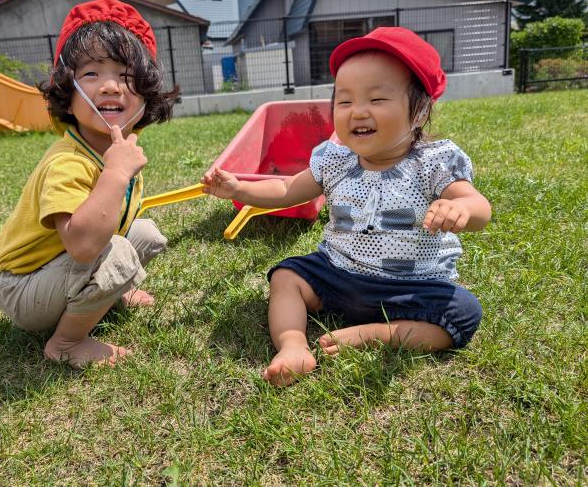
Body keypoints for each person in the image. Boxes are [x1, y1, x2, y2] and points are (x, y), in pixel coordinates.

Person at [202, 27, 491, 386]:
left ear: (419, 111)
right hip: (338, 273)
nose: (358, 112)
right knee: (286, 276)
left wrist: (461, 209)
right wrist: (239, 189)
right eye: (345, 101)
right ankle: (292, 344)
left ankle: (371, 334)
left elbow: (477, 204)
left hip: (410, 285)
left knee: (463, 314)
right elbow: (287, 189)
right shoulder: (335, 160)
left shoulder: (432, 163)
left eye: (376, 100)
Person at [0, 0, 178, 367]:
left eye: (126, 74)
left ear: (147, 91)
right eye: (91, 74)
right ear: (67, 92)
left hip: (56, 270)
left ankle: (108, 294)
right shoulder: (68, 161)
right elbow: (81, 244)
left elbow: (115, 221)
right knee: (119, 253)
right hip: (23, 287)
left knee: (145, 234)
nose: (110, 86)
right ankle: (65, 343)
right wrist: (116, 173)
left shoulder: (114, 147)